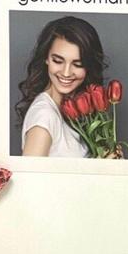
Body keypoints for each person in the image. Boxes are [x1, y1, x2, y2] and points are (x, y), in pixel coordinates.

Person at [16, 17, 107, 158]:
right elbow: (30, 174)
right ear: (46, 58)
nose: (66, 73)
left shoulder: (72, 113)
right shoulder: (44, 116)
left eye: (78, 64)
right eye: (58, 61)